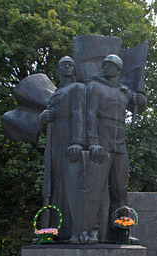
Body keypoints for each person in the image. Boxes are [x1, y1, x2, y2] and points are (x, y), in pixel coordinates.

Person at [84, 54, 146, 243]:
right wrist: (93, 140)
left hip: (120, 142)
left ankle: (122, 229)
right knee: (96, 190)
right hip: (101, 139)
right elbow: (90, 114)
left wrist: (140, 99)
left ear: (119, 70)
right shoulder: (94, 87)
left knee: (121, 190)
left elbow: (139, 105)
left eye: (109, 65)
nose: (105, 68)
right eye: (104, 65)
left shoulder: (123, 92)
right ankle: (92, 230)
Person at [38, 56, 86, 241]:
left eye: (70, 65)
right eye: (63, 65)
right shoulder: (54, 94)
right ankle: (50, 230)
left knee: (71, 184)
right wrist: (44, 117)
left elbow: (79, 114)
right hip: (54, 141)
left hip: (69, 138)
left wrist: (78, 141)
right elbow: (43, 125)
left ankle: (75, 230)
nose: (67, 67)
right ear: (58, 70)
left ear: (74, 69)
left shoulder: (78, 88)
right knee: (53, 184)